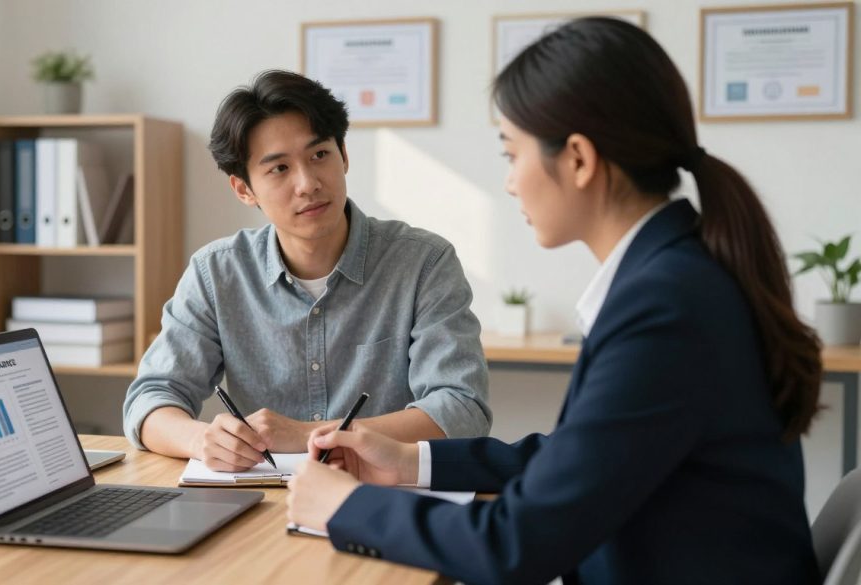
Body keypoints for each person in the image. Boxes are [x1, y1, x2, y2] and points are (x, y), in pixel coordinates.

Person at [287, 17, 822, 585]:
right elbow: (580, 455)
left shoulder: (666, 308)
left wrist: (345, 507)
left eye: (512, 154)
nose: (511, 182)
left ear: (578, 159)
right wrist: (409, 461)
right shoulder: (674, 277)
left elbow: (515, 546)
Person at [123, 70, 491, 472]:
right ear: (244, 189)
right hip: (264, 502)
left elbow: (461, 408)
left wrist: (307, 434)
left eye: (319, 155)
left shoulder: (424, 262)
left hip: (383, 495)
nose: (308, 183)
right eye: (279, 168)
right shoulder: (217, 273)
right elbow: (150, 399)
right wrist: (202, 439)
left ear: (344, 155)